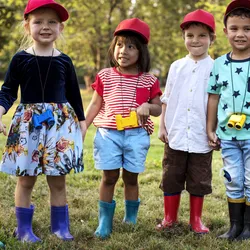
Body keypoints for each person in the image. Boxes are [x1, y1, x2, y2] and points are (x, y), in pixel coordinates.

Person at [0, 0, 86, 243]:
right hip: (28, 125)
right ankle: (23, 229)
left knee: (58, 179)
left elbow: (73, 94)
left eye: (52, 22)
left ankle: (60, 227)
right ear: (27, 26)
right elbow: (7, 91)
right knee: (26, 178)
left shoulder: (64, 61)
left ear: (61, 28)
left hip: (60, 126)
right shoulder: (20, 59)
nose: (45, 26)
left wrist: (81, 121)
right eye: (38, 21)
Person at [85, 18, 162, 239]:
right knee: (109, 177)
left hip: (136, 135)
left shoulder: (149, 80)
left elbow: (157, 109)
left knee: (131, 178)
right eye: (119, 45)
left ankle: (130, 217)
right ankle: (105, 221)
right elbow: (95, 105)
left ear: (141, 51)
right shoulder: (105, 76)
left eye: (131, 46)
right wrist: (83, 126)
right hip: (108, 134)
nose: (123, 51)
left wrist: (149, 106)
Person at [156, 9, 216, 234]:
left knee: (199, 179)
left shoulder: (215, 68)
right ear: (184, 38)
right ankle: (169, 217)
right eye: (190, 35)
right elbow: (167, 98)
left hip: (201, 134)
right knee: (171, 176)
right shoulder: (176, 66)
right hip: (176, 132)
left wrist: (214, 130)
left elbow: (216, 101)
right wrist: (162, 125)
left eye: (202, 35)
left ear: (212, 38)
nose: (195, 40)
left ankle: (196, 220)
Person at [207, 0, 250, 241]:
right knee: (233, 179)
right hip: (228, 136)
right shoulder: (218, 64)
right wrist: (210, 128)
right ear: (225, 31)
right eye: (234, 28)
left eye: (247, 28)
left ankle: (248, 228)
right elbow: (213, 98)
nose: (240, 34)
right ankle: (235, 226)